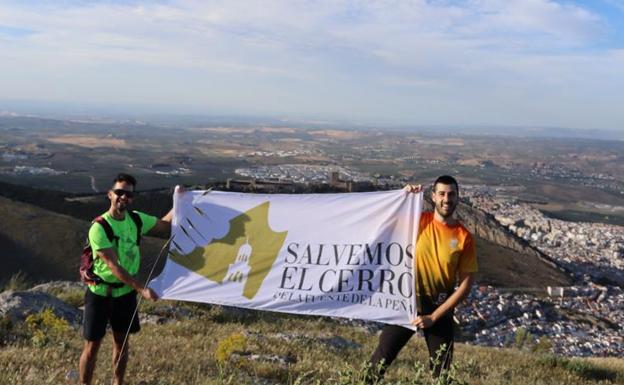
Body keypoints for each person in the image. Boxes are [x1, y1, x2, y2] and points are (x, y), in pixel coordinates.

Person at [368, 175, 477, 381]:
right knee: (380, 360)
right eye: (442, 194)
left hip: (439, 309)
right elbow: (385, 220)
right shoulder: (417, 222)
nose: (447, 199)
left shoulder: (464, 237)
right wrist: (403, 196)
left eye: (452, 194)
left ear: (457, 198)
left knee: (441, 373)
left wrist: (434, 317)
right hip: (406, 303)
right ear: (433, 196)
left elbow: (465, 285)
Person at [79, 173, 173, 385]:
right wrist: (142, 289)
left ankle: (118, 383)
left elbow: (165, 226)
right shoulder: (99, 227)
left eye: (128, 194)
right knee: (92, 347)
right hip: (100, 294)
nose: (123, 197)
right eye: (119, 192)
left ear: (132, 198)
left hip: (125, 294)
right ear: (110, 194)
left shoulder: (136, 219)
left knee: (121, 344)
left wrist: (182, 200)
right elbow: (114, 266)